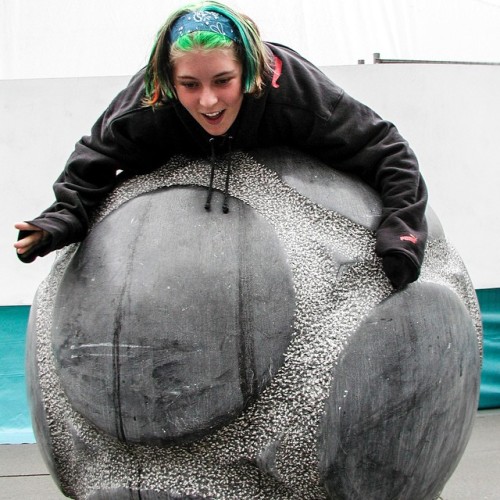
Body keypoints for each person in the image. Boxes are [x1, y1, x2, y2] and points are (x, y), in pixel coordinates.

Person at [14, 0, 428, 289]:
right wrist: (58, 221)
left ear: (247, 71)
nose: (208, 101)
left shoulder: (298, 94)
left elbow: (389, 151)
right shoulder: (147, 105)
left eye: (223, 81)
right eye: (189, 85)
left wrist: (402, 234)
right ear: (169, 82)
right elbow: (92, 163)